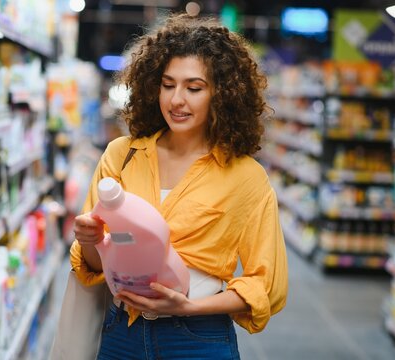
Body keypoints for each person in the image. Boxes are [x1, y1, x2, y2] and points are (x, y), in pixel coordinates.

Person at [70, 13, 288, 360]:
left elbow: (265, 284)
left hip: (196, 338)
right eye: (168, 84)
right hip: (121, 334)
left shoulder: (245, 176)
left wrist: (188, 306)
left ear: (222, 94)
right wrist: (90, 241)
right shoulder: (122, 155)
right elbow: (96, 266)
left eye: (194, 88)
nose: (176, 100)